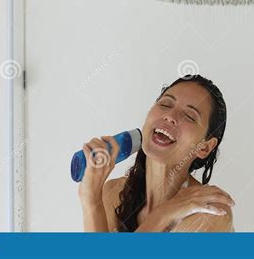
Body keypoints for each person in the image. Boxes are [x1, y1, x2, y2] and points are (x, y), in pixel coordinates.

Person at [78, 74, 235, 232]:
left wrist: (163, 214)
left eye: (189, 116)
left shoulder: (210, 211)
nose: (170, 116)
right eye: (166, 104)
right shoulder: (114, 193)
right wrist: (91, 198)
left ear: (204, 148)